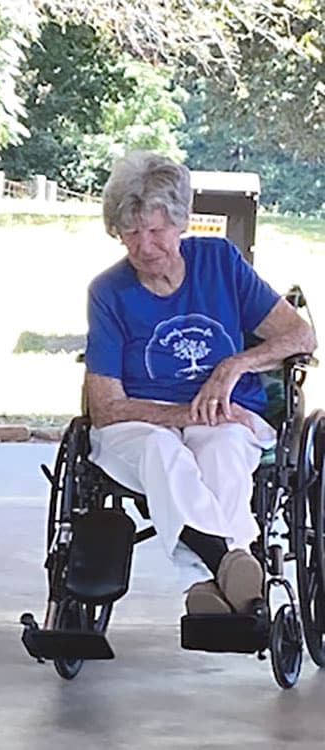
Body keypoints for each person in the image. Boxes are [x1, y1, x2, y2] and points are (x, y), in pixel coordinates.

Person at [84, 151, 316, 615]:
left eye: (156, 230)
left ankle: (208, 589)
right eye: (130, 232)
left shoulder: (219, 263)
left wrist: (232, 367)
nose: (144, 246)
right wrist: (180, 415)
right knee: (162, 451)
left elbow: (299, 335)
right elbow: (107, 406)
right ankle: (232, 567)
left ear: (182, 223)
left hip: (224, 414)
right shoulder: (108, 292)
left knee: (224, 448)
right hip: (139, 425)